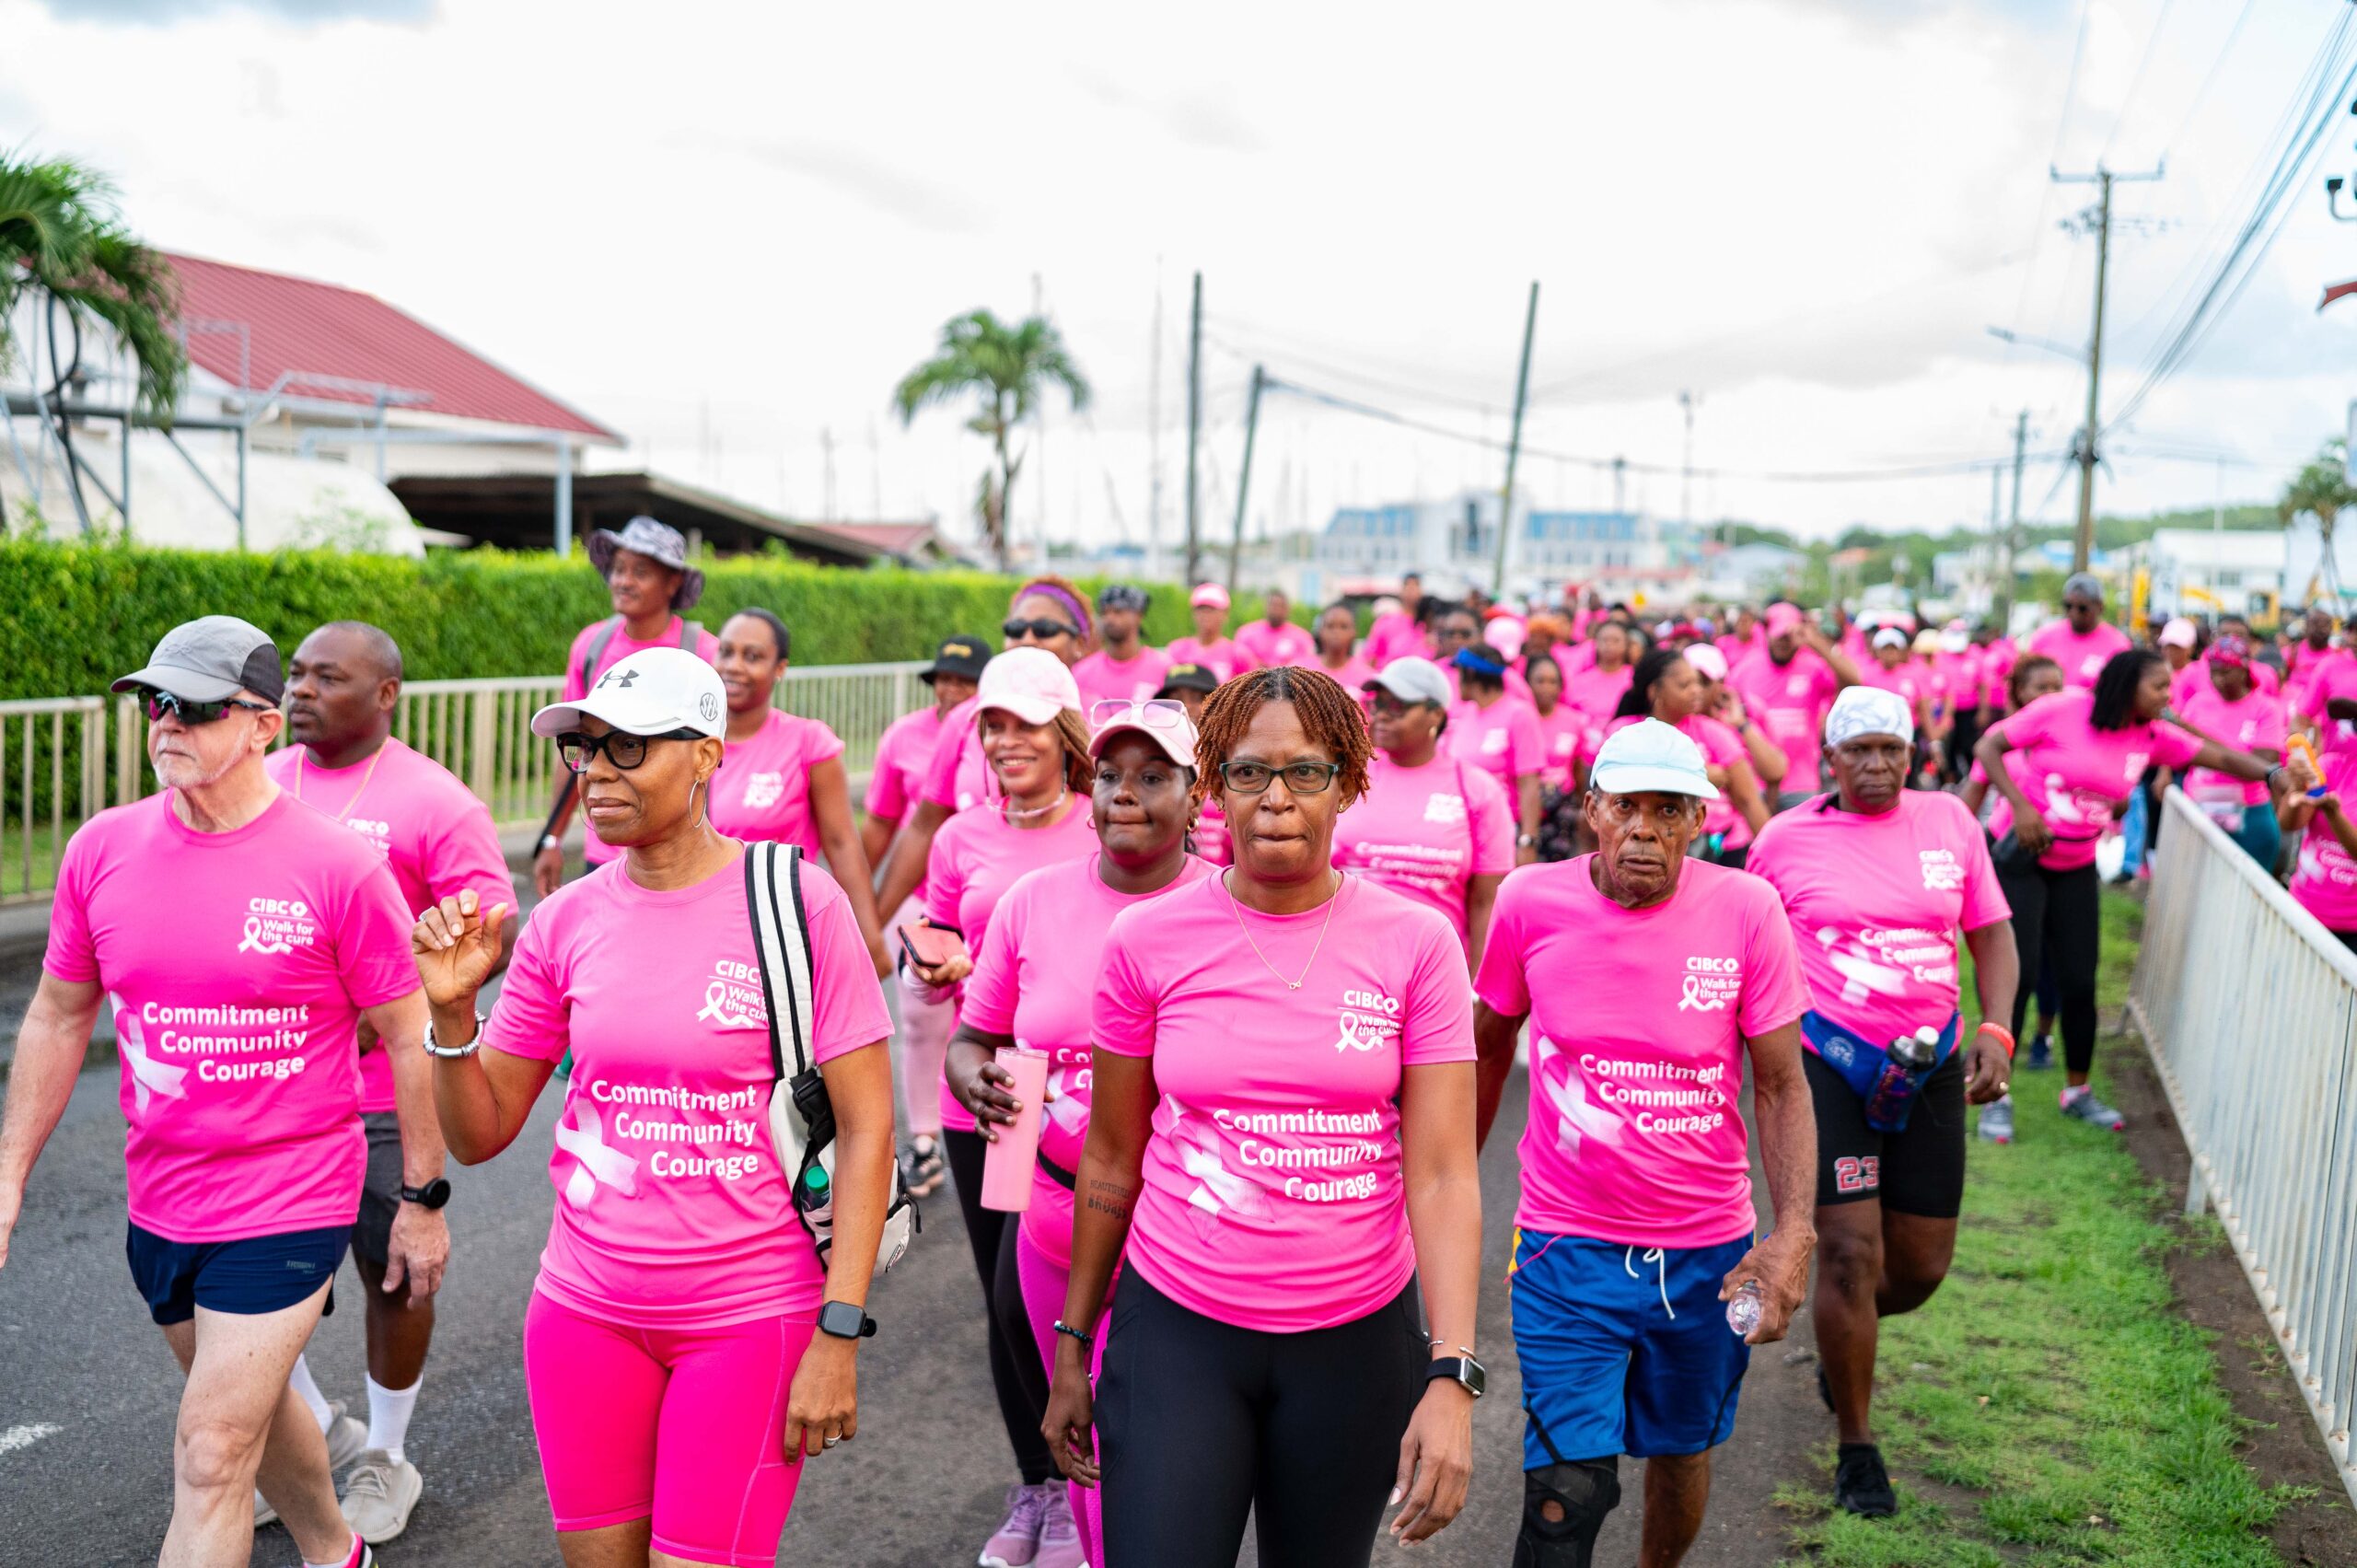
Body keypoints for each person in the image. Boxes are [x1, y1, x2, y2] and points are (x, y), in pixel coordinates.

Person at [413, 645, 895, 1568]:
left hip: (750, 1316)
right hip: (582, 1314)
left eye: (627, 747)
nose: (596, 770)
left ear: (707, 754)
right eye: (586, 748)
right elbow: (479, 1134)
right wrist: (449, 1012)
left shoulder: (799, 904)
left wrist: (840, 1329)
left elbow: (868, 1126)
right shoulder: (563, 921)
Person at [0, 615, 434, 1568]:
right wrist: (8, 1175)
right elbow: (58, 1016)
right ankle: (336, 1550)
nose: (166, 724)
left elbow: (409, 1032)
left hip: (292, 1193)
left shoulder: (337, 865)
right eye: (156, 702)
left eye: (195, 708)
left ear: (262, 725)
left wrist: (422, 1198)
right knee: (251, 1410)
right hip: (163, 1199)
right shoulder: (101, 850)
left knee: (208, 1449)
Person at [1042, 665, 1483, 1565]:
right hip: (1179, 1327)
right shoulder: (1146, 940)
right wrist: (1071, 1345)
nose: (1276, 798)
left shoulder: (1418, 943)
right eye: (1249, 772)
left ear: (1349, 784)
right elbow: (1113, 1157)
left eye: (1306, 772)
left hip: (1357, 1338)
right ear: (1214, 787)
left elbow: (1442, 1173)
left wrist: (1454, 1371)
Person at [1470, 718, 1817, 1568]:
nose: (1645, 830)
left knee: (1680, 1451)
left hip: (1706, 1254)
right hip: (1564, 1249)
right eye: (1627, 805)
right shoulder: (1528, 901)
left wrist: (1793, 1232)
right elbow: (1485, 1047)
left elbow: (1779, 1083)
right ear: (1591, 809)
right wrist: (1447, 1186)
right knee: (1565, 1497)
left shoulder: (1747, 910)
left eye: (1670, 810)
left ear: (1700, 822)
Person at [946, 697, 1215, 1568]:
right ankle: (1057, 1514)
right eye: (1108, 775)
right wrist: (973, 1079)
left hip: (1179, 1235)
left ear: (1196, 791)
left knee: (1156, 1451)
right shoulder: (1033, 900)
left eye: (1152, 775)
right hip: (1049, 1213)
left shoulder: (1228, 904)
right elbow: (972, 1039)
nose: (1124, 793)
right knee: (1077, 1429)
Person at [262, 621, 514, 1544]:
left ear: (386, 694)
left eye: (329, 677)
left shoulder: (432, 800)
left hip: (379, 1095)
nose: (301, 689)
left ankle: (387, 1455)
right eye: (295, 673)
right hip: (271, 1090)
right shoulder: (260, 783)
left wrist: (395, 989)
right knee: (250, 1281)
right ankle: (308, 1436)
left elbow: (489, 924)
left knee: (396, 1275)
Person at [1745, 688, 2018, 1517]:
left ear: (1913, 755)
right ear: (1829, 760)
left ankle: (1843, 1338)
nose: (1875, 765)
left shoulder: (1950, 824)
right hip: (1827, 1061)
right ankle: (1858, 1448)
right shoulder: (1785, 838)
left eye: (1890, 750)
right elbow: (1751, 943)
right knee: (1850, 1257)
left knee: (1920, 1268)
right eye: (1857, 750)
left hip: (1931, 1059)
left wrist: (1998, 1030)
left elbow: (1992, 933)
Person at [903, 648, 1098, 1568]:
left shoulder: (1108, 819)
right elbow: (935, 927)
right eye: (992, 724)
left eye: (1025, 723)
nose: (1005, 740)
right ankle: (1044, 1488)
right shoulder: (960, 835)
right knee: (1008, 1302)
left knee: (1079, 1300)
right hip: (994, 1084)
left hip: (1088, 1087)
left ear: (1066, 733)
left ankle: (1104, 1481)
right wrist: (930, 956)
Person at [1974, 648, 2297, 1137]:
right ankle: (1998, 1094)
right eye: (2160, 687)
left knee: (2080, 982)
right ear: (2127, 687)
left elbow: (2225, 757)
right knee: (2018, 978)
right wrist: (2020, 807)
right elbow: (1988, 749)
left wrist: (2272, 774)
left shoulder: (2151, 735)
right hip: (2024, 861)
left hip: (2077, 866)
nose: (2170, 697)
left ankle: (2077, 1092)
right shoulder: (2061, 708)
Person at [873, 577, 1095, 922]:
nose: (1028, 640)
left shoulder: (1101, 718)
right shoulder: (963, 719)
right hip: (967, 913)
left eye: (1045, 629)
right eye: (1016, 628)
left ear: (1080, 642)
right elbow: (924, 825)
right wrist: (873, 928)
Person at [860, 633, 990, 1200]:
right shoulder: (903, 737)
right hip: (920, 901)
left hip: (985, 902)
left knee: (988, 1023)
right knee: (920, 1020)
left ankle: (990, 1134)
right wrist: (859, 908)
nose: (952, 689)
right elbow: (884, 826)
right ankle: (925, 1140)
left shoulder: (999, 737)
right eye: (944, 677)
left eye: (965, 680)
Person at [534, 517, 721, 898]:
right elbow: (578, 751)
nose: (623, 581)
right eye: (618, 569)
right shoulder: (591, 646)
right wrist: (552, 838)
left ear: (673, 583)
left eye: (640, 571)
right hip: (605, 849)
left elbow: (719, 762)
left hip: (677, 854)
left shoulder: (703, 653)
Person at [708, 608, 890, 972]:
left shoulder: (808, 741)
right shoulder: (689, 744)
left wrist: (870, 939)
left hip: (781, 935)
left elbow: (842, 844)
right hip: (705, 927)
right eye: (726, 652)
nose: (734, 666)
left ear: (780, 669)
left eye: (753, 656)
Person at [1338, 657, 1515, 968]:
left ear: (1436, 713)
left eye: (1397, 706)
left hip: (1433, 968)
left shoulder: (1476, 789)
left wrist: (1474, 990)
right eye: (1377, 704)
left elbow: (1486, 903)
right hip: (1344, 959)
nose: (1380, 715)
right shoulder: (1348, 777)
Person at [1611, 647, 1771, 867]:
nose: (1696, 691)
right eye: (1684, 685)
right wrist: (1702, 773)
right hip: (1647, 848)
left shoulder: (1714, 732)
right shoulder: (1625, 731)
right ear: (1654, 691)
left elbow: (1749, 800)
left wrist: (1771, 857)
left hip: (1719, 847)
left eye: (1697, 682)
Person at [1728, 604, 1860, 809]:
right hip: (1756, 782)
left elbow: (1854, 681)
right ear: (1766, 633)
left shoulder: (1813, 667)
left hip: (1801, 784)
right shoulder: (1744, 670)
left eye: (1789, 637)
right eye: (1779, 636)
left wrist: (1816, 642)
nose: (1784, 643)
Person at [2175, 633, 2286, 866]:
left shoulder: (2266, 708)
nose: (2218, 680)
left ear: (2244, 668)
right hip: (2199, 806)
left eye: (2225, 672)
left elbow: (2261, 766)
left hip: (2249, 814)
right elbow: (2179, 751)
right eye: (2213, 672)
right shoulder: (2198, 703)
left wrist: (2196, 734)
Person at [1449, 645, 1543, 864]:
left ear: (1470, 674)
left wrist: (1527, 841)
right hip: (1461, 828)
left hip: (1502, 831)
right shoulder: (1465, 714)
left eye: (1459, 674)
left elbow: (1529, 783)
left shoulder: (1519, 714)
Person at [1684, 643, 1790, 804]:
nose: (1695, 690)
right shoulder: (1674, 723)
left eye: (1702, 682)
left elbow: (1775, 771)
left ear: (1720, 683)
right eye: (1686, 683)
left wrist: (1741, 724)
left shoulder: (1745, 713)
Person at [2284, 745, 2357, 949]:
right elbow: (2289, 824)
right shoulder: (2332, 765)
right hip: (2303, 911)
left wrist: (2333, 814)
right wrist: (2297, 787)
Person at [1158, 663, 1230, 864]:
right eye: (1175, 699)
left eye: (1198, 698)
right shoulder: (1147, 771)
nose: (1186, 707)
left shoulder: (1234, 769)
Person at [2025, 573, 2132, 690]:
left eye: (2082, 608)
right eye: (2068, 606)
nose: (2073, 613)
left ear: (2100, 607)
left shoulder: (2119, 646)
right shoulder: (2043, 638)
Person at [1072, 585, 1171, 706]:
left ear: (1139, 616)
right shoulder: (1082, 672)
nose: (1109, 618)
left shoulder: (1165, 668)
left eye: (1118, 611)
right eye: (1105, 612)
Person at [1165, 583, 1260, 683]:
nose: (1205, 615)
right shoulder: (1177, 650)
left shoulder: (1239, 656)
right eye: (1201, 609)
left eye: (1211, 609)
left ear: (1225, 614)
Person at [1233, 587, 1317, 668]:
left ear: (1288, 609)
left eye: (1280, 606)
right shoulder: (1246, 633)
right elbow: (1237, 660)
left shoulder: (1302, 637)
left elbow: (1308, 663)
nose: (1276, 609)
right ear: (1265, 607)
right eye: (1273, 605)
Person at [1365, 572, 1433, 667]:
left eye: (1416, 586)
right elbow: (1371, 657)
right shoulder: (1385, 622)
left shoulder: (1428, 626)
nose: (1411, 590)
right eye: (1407, 585)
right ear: (1401, 591)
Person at [1312, 599, 1376, 691]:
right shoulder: (1300, 670)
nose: (1336, 632)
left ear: (1354, 632)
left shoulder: (1368, 678)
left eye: (1343, 627)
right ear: (1320, 631)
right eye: (1330, 626)